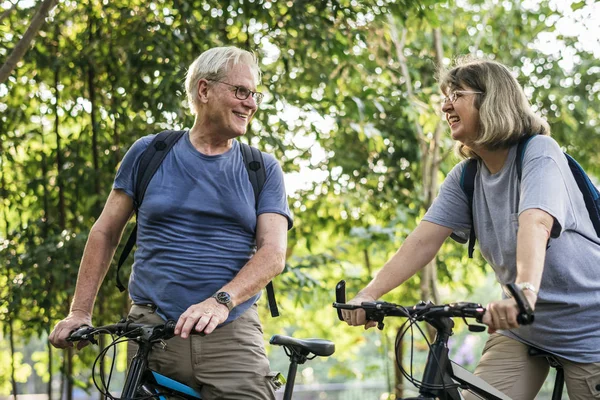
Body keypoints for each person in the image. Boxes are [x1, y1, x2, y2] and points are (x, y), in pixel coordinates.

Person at [341, 57, 600, 400]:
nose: (445, 105)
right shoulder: (467, 177)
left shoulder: (539, 151)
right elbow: (421, 242)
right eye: (445, 97)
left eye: (457, 94)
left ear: (491, 99)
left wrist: (523, 292)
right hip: (522, 329)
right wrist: (369, 294)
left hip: (589, 330)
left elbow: (535, 221)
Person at [49, 46, 293, 399]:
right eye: (241, 91)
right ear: (204, 90)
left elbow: (273, 253)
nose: (251, 103)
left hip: (231, 333)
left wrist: (220, 302)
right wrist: (79, 312)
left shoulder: (262, 168)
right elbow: (105, 232)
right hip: (152, 332)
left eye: (254, 94)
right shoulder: (149, 153)